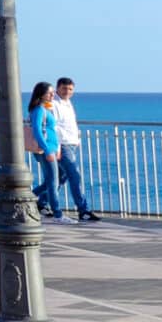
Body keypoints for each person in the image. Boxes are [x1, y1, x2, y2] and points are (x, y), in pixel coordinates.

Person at [53, 77, 100, 223]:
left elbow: (69, 124)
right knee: (74, 175)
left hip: (71, 144)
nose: (67, 91)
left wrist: (77, 139)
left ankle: (39, 200)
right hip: (63, 145)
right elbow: (53, 126)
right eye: (64, 88)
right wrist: (58, 146)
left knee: (60, 178)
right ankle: (83, 210)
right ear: (58, 88)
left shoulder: (67, 103)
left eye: (70, 89)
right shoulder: (54, 104)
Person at [26, 80, 63, 221]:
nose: (53, 94)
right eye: (50, 92)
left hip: (52, 149)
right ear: (41, 94)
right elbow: (37, 131)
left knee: (51, 181)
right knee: (53, 182)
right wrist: (48, 151)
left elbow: (51, 130)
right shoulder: (39, 110)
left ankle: (26, 198)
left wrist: (57, 148)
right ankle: (58, 214)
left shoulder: (44, 109)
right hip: (46, 150)